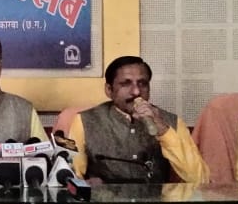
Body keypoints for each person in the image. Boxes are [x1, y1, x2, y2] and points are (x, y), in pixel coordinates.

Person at [67, 56, 208, 183]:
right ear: (109, 90)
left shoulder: (171, 122)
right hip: (104, 203)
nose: (136, 92)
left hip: (156, 203)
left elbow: (200, 179)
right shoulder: (84, 121)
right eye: (126, 83)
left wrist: (163, 130)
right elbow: (69, 177)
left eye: (142, 83)